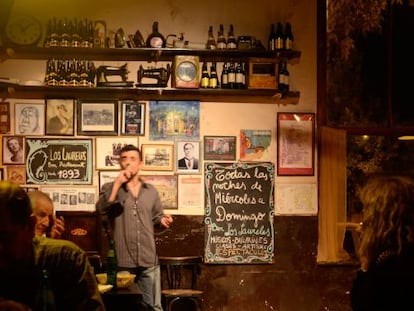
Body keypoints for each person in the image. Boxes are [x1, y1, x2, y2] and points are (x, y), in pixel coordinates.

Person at [0, 180, 105, 311]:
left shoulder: (66, 257)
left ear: (30, 225)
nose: (46, 222)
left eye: (4, 237)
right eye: (42, 215)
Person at [96, 144, 173, 311]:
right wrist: (117, 184)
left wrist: (163, 221)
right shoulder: (109, 188)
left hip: (148, 259)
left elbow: (157, 217)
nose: (128, 163)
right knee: (124, 307)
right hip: (122, 261)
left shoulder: (151, 191)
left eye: (133, 159)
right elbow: (101, 210)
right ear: (120, 164)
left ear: (140, 163)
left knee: (151, 307)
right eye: (124, 159)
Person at [350, 175, 414, 311]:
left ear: (379, 216)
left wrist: (366, 262)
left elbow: (364, 303)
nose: (363, 217)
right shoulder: (402, 253)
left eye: (366, 209)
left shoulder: (391, 263)